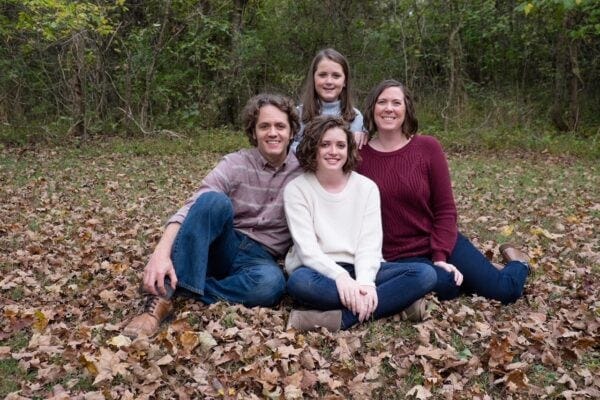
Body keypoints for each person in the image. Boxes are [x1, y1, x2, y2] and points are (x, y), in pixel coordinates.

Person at [123, 93, 303, 338]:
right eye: (265, 126)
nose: (273, 133)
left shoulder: (304, 171)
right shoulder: (235, 163)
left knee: (271, 285)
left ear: (292, 132)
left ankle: (186, 286)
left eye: (280, 126)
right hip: (223, 245)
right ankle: (159, 299)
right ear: (254, 131)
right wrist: (160, 253)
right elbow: (193, 207)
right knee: (212, 201)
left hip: (259, 258)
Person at [357, 79, 530, 305]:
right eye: (382, 102)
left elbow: (445, 209)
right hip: (396, 256)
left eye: (396, 102)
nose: (389, 108)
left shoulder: (427, 148)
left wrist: (440, 255)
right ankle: (479, 270)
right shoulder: (359, 156)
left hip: (439, 241)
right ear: (372, 108)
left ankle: (519, 263)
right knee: (447, 285)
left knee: (504, 291)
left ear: (406, 109)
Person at [284, 115, 437, 332]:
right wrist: (341, 277)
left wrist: (365, 282)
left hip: (362, 266)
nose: (333, 151)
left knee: (425, 274)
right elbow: (307, 251)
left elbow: (369, 243)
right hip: (319, 272)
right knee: (299, 284)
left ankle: (343, 319)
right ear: (312, 148)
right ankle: (396, 304)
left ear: (349, 150)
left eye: (340, 145)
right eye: (325, 144)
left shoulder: (366, 188)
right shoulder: (296, 189)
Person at [290, 48, 368, 153]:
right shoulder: (297, 115)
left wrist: (365, 136)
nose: (329, 81)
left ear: (345, 81)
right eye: (322, 75)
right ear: (313, 78)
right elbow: (286, 152)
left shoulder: (356, 118)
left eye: (336, 76)